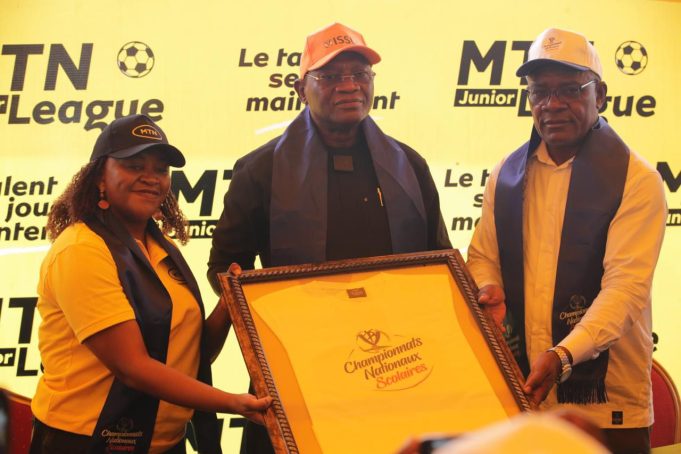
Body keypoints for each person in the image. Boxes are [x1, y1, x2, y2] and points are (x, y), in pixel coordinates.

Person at [208, 22, 451, 453]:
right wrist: (269, 314)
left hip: (397, 362)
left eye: (360, 74)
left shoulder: (409, 166)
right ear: (301, 89)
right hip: (296, 365)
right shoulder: (260, 170)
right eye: (331, 76)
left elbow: (439, 264)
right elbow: (224, 270)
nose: (349, 86)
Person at [467, 28, 667, 454]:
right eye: (539, 92)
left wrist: (564, 355)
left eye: (570, 90)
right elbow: (483, 255)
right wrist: (489, 287)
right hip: (525, 394)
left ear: (601, 95)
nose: (552, 104)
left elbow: (625, 289)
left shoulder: (637, 180)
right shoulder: (507, 174)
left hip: (606, 403)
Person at [31, 114, 271, 454]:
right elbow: (133, 367)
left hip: (163, 443)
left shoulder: (161, 247)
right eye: (134, 166)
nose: (150, 178)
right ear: (99, 176)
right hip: (86, 442)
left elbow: (191, 356)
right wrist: (233, 402)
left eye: (160, 169)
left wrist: (230, 302)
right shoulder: (81, 249)